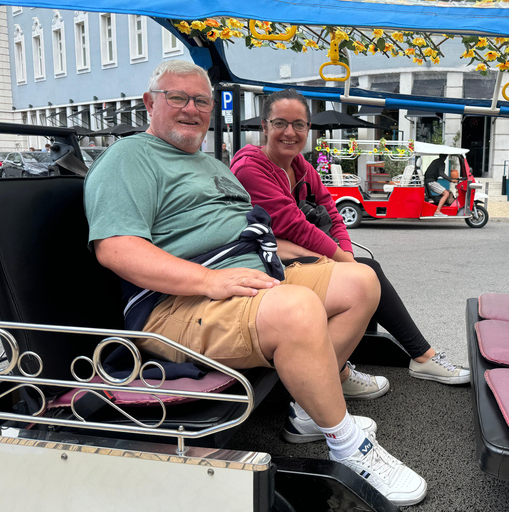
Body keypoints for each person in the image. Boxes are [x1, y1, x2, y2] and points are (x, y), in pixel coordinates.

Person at [83, 61, 427, 506]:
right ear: (151, 103)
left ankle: (309, 412)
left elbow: (252, 232)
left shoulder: (211, 165)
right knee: (297, 307)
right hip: (177, 304)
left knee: (361, 281)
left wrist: (315, 258)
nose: (191, 108)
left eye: (201, 100)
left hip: (249, 274)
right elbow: (118, 249)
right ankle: (347, 445)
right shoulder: (130, 157)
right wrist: (208, 280)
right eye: (177, 98)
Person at [230, 89, 470, 386]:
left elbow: (332, 213)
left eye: (299, 124)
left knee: (364, 268)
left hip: (298, 258)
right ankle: (402, 361)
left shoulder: (302, 168)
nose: (290, 132)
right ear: (264, 127)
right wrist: (345, 261)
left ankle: (353, 367)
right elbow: (292, 225)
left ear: (308, 128)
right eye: (280, 123)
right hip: (266, 265)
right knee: (365, 272)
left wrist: (346, 255)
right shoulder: (251, 166)